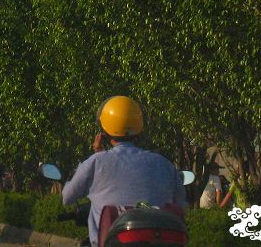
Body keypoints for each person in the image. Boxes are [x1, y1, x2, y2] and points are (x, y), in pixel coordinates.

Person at [61, 96, 186, 247]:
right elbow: (180, 205)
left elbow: (67, 197)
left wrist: (96, 158)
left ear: (103, 131)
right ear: (139, 126)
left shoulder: (96, 162)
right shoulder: (164, 164)